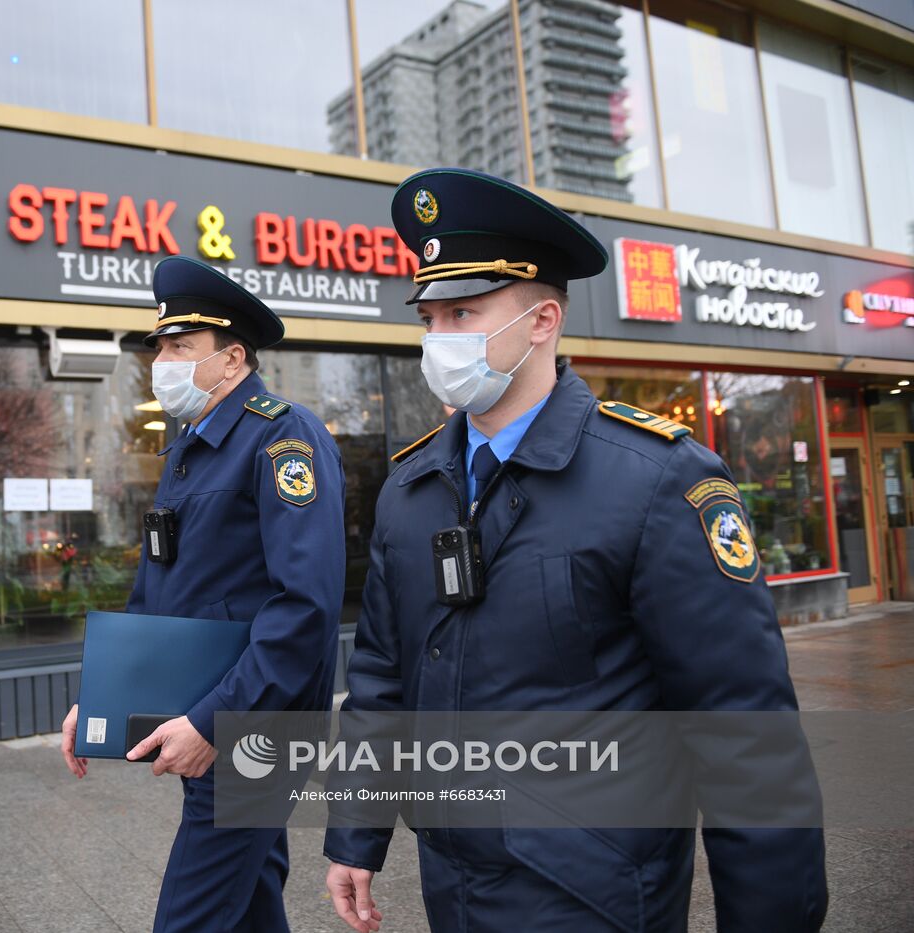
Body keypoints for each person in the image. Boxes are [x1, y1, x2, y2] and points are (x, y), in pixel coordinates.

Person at [322, 168, 828, 932]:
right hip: (452, 887)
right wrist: (355, 834)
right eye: (430, 317)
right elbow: (382, 680)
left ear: (542, 320)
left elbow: (743, 735)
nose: (440, 339)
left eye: (465, 311)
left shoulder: (659, 479)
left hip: (594, 893)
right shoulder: (411, 489)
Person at [61, 254, 347, 932]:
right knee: (248, 901)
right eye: (161, 345)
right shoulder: (193, 447)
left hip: (251, 728)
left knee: (189, 917)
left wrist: (214, 720)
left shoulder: (284, 436)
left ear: (232, 358)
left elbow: (304, 608)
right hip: (206, 716)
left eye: (181, 346)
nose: (162, 360)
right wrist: (106, 695)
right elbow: (161, 589)